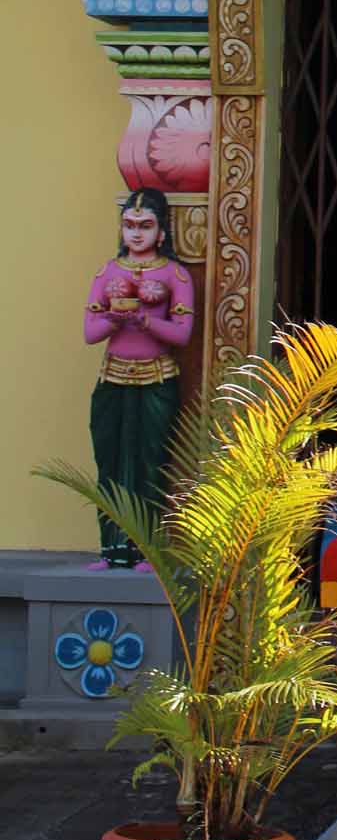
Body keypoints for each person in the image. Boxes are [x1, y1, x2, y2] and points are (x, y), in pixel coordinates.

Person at [82, 189, 194, 570]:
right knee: (110, 462)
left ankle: (148, 549)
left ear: (162, 232)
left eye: (145, 226)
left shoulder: (174, 274)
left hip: (157, 379)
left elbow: (181, 334)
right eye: (129, 225)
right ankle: (111, 549)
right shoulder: (109, 272)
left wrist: (145, 320)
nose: (136, 234)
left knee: (151, 464)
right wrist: (114, 319)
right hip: (112, 379)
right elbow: (89, 332)